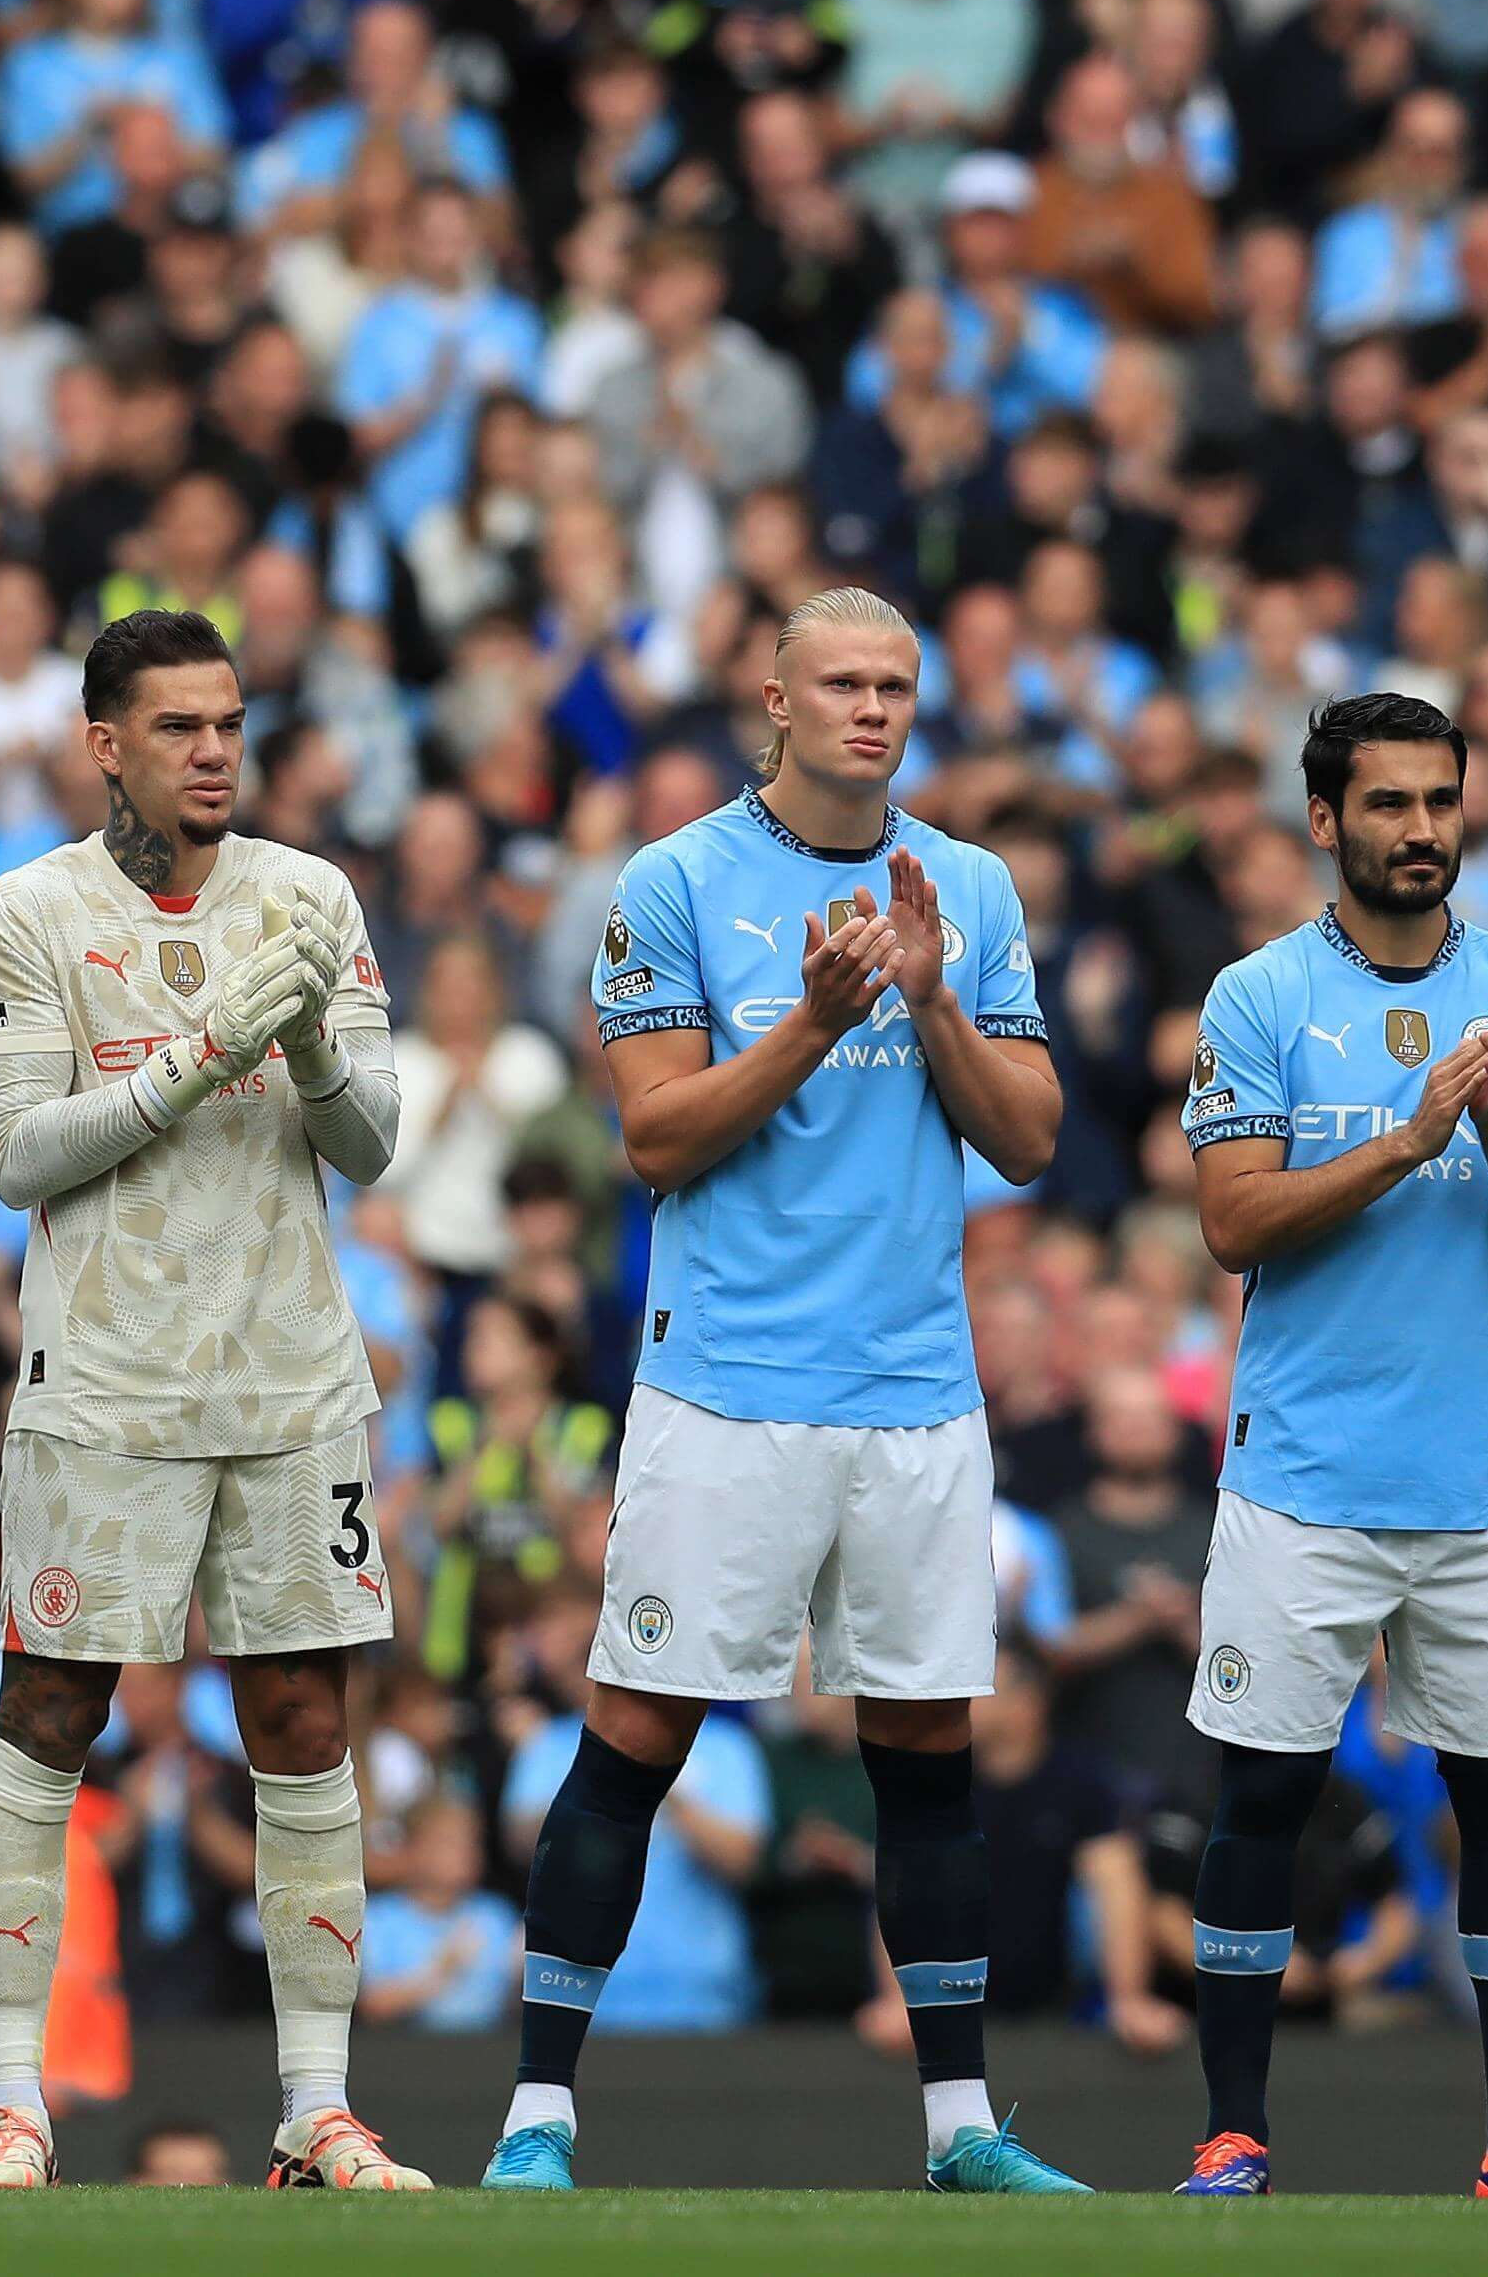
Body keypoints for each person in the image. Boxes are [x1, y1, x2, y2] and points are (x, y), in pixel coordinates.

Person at [490, 586, 1084, 2197]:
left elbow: (1031, 1139)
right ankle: (537, 2116)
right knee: (637, 1732)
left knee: (927, 1756)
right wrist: (817, 1023)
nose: (872, 710)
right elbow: (656, 1137)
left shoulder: (966, 885)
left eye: (896, 684)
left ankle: (960, 2131)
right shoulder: (677, 880)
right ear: (775, 700)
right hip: (729, 1382)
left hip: (915, 1385)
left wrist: (932, 998)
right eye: (842, 684)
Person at [0, 606, 417, 2194]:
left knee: (303, 1724)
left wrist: (314, 1052)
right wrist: (199, 1056)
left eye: (229, 724)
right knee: (52, 1713)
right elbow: (13, 1154)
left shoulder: (310, 897)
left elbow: (371, 1144)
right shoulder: (27, 914)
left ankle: (317, 2108)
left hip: (291, 1380)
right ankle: (15, 2100)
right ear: (105, 745)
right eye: (178, 727)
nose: (214, 752)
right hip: (106, 1384)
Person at [1172, 692, 1488, 2201]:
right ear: (1325, 822)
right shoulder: (1256, 996)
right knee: (1263, 1800)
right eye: (1388, 804)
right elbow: (1232, 1221)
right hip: (1303, 1478)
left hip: (1485, 1481)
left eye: (1440, 800)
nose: (1421, 829)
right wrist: (1407, 1137)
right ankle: (1233, 2138)